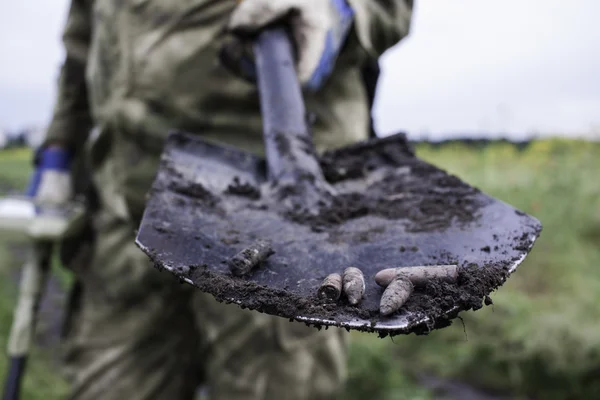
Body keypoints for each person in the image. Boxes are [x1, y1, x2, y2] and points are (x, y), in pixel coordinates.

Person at [29, 1, 413, 399]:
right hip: (128, 201)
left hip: (281, 215)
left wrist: (342, 7)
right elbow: (84, 38)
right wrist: (61, 141)